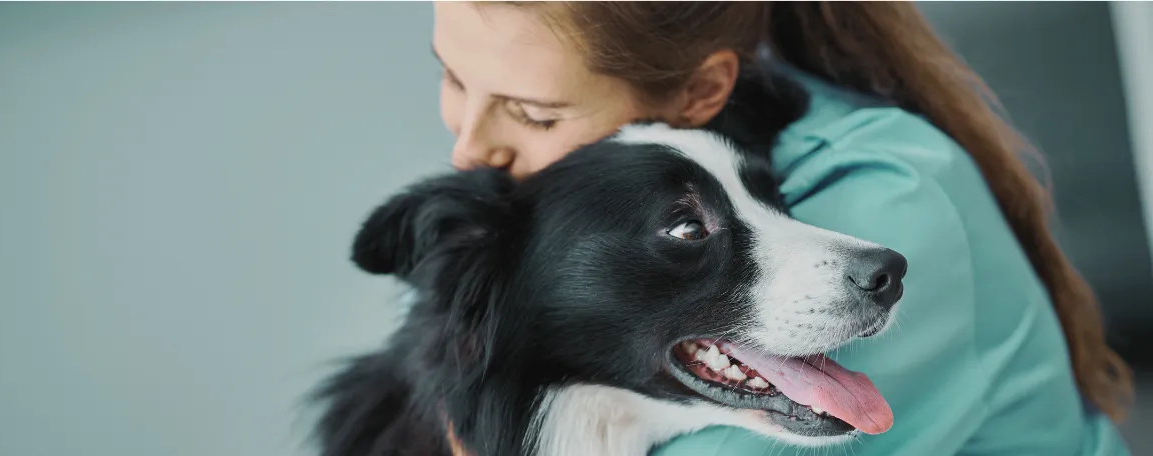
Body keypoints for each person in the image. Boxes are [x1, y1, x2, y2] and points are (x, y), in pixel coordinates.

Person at [430, 1, 1134, 455]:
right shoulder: (544, 220)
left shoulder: (887, 201)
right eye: (455, 80)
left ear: (701, 92)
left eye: (535, 114)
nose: (468, 148)